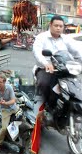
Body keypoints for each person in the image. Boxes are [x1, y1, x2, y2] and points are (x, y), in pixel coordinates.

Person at [31, 15, 82, 154]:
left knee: (75, 86)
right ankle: (49, 107)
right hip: (45, 69)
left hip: (63, 69)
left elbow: (78, 51)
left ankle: (67, 107)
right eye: (56, 25)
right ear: (51, 25)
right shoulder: (42, 37)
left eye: (61, 26)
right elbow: (37, 52)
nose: (59, 28)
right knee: (45, 83)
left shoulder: (66, 39)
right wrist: (45, 63)